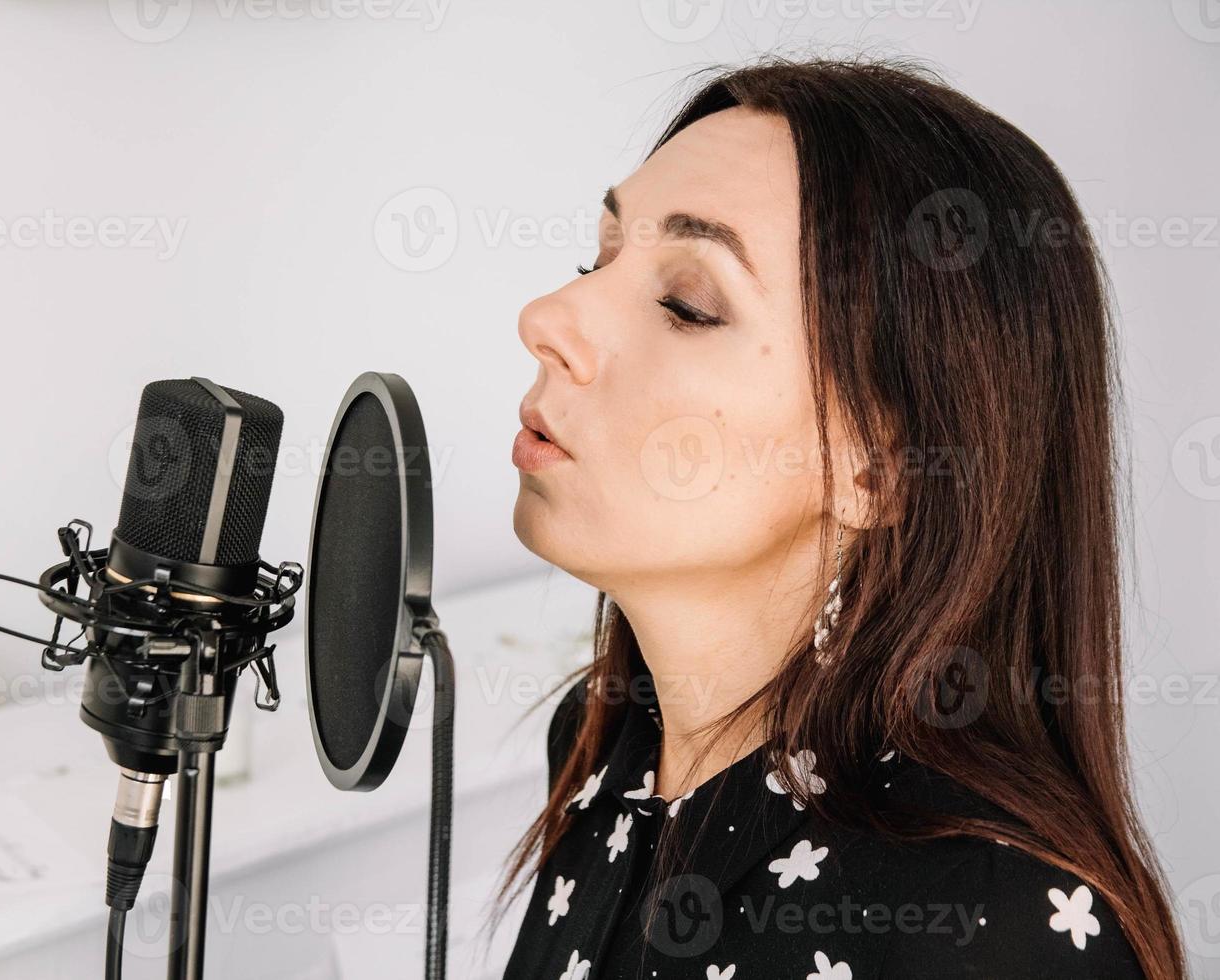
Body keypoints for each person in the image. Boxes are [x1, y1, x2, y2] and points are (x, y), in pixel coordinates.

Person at [501, 57, 1183, 979]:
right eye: (599, 256)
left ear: (881, 466)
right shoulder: (603, 742)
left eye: (686, 304)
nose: (547, 315)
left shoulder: (992, 927)